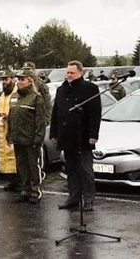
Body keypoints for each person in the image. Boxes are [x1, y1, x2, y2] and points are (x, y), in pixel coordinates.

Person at [50, 61, 102, 211]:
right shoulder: (61, 90)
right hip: (66, 136)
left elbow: (95, 113)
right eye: (67, 72)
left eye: (72, 73)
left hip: (83, 136)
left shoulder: (90, 89)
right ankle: (73, 197)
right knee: (71, 169)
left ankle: (89, 199)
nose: (68, 75)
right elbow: (56, 113)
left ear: (80, 73)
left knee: (85, 169)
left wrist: (93, 134)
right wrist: (54, 132)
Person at [7, 71, 47, 204]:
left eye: (23, 79)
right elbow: (11, 117)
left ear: (30, 81)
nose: (19, 82)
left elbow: (40, 121)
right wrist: (9, 134)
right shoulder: (14, 97)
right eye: (18, 79)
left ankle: (35, 191)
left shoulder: (36, 98)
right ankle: (25, 190)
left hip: (31, 139)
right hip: (18, 139)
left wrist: (38, 138)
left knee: (33, 166)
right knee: (21, 165)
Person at [0, 70, 20, 191]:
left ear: (13, 79)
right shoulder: (2, 94)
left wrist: (8, 116)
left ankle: (20, 181)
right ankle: (12, 180)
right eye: (3, 79)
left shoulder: (17, 93)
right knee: (7, 157)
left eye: (6, 79)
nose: (4, 82)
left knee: (16, 156)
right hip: (3, 128)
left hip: (14, 128)